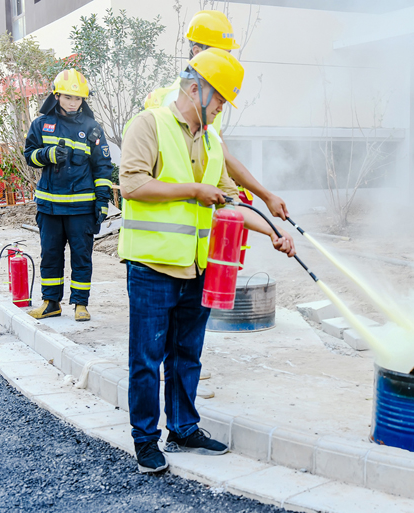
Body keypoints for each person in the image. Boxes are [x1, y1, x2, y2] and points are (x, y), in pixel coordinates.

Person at [117, 48, 296, 474]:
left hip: (196, 266)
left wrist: (272, 232)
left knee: (187, 354)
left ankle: (183, 428)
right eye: (219, 100)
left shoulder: (212, 141)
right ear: (195, 89)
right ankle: (145, 440)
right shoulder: (149, 124)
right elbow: (132, 185)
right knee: (147, 359)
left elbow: (230, 202)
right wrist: (193, 191)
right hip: (152, 267)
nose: (220, 109)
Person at [142, 10, 289, 222]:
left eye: (228, 54)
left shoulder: (208, 100)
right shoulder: (182, 102)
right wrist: (265, 196)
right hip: (169, 224)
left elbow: (220, 154)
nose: (226, 60)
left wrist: (251, 198)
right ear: (196, 51)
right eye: (221, 53)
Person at [24, 69, 113, 322]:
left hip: (81, 209)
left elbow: (103, 167)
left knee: (81, 258)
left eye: (78, 98)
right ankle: (50, 303)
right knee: (50, 256)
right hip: (49, 208)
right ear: (56, 96)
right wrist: (47, 155)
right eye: (68, 97)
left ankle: (80, 304)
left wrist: (102, 202)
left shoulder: (92, 128)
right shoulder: (41, 124)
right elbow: (29, 156)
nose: (73, 103)